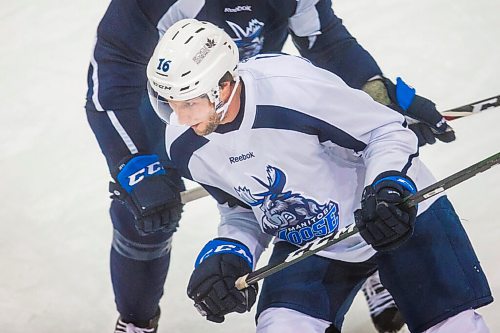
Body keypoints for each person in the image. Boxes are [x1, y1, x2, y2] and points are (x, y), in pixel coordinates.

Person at [85, 1, 456, 332]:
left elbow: (324, 38)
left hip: (243, 97)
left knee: (329, 159)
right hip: (166, 113)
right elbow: (112, 71)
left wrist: (375, 96)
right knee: (144, 213)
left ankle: (371, 265)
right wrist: (133, 160)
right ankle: (136, 322)